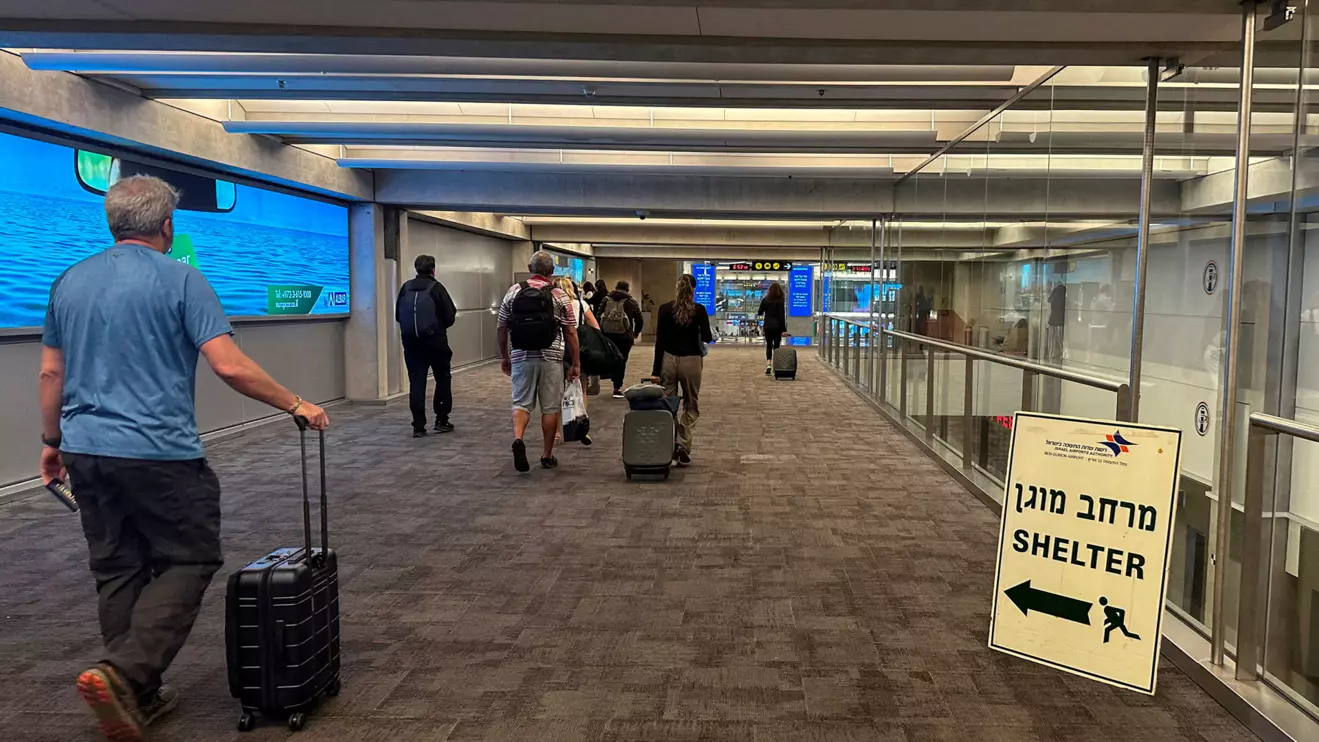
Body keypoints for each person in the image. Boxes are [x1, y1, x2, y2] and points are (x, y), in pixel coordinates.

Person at [38, 175, 330, 742]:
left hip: (85, 451)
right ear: (167, 225)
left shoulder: (67, 281)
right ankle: (122, 674)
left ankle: (137, 698)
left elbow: (52, 372)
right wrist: (297, 403)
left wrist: (52, 443)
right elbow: (229, 365)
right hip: (158, 453)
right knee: (190, 558)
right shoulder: (182, 279)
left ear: (113, 223)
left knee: (117, 567)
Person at [497, 251, 581, 472]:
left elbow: (501, 326)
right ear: (552, 272)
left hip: (521, 355)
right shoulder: (559, 294)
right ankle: (547, 454)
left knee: (521, 402)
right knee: (550, 407)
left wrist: (505, 356)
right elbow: (571, 332)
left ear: (529, 267)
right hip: (551, 356)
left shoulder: (513, 291)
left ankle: (518, 438)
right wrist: (575, 362)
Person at [651, 274, 713, 467]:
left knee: (668, 405)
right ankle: (682, 444)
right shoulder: (699, 310)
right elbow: (708, 337)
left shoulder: (664, 309)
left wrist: (655, 370)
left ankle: (669, 445)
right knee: (691, 405)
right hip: (692, 361)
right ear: (694, 290)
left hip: (668, 360)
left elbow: (659, 342)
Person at [396, 254, 458, 438]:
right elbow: (450, 315)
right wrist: (436, 328)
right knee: (442, 378)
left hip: (411, 343)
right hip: (435, 341)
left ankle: (418, 426)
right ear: (433, 270)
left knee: (416, 381)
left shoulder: (405, 288)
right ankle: (441, 419)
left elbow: (398, 316)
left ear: (416, 269)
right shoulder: (436, 288)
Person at [554, 276, 596, 445]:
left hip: (557, 351)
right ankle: (581, 428)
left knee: (556, 393)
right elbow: (595, 326)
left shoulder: (553, 304)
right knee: (581, 390)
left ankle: (557, 432)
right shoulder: (581, 304)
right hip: (578, 351)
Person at [597, 280, 644, 398]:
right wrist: (636, 332)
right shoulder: (631, 301)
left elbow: (598, 315)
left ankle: (609, 374)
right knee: (622, 359)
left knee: (611, 356)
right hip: (625, 336)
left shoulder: (606, 299)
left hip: (608, 334)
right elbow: (639, 318)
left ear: (616, 287)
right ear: (627, 289)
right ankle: (617, 386)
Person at [757, 282, 787, 375]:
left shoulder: (765, 300)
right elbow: (782, 316)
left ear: (769, 290)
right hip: (778, 327)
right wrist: (784, 329)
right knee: (776, 347)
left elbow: (759, 312)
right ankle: (776, 365)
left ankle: (768, 364)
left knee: (769, 345)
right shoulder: (781, 301)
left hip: (768, 326)